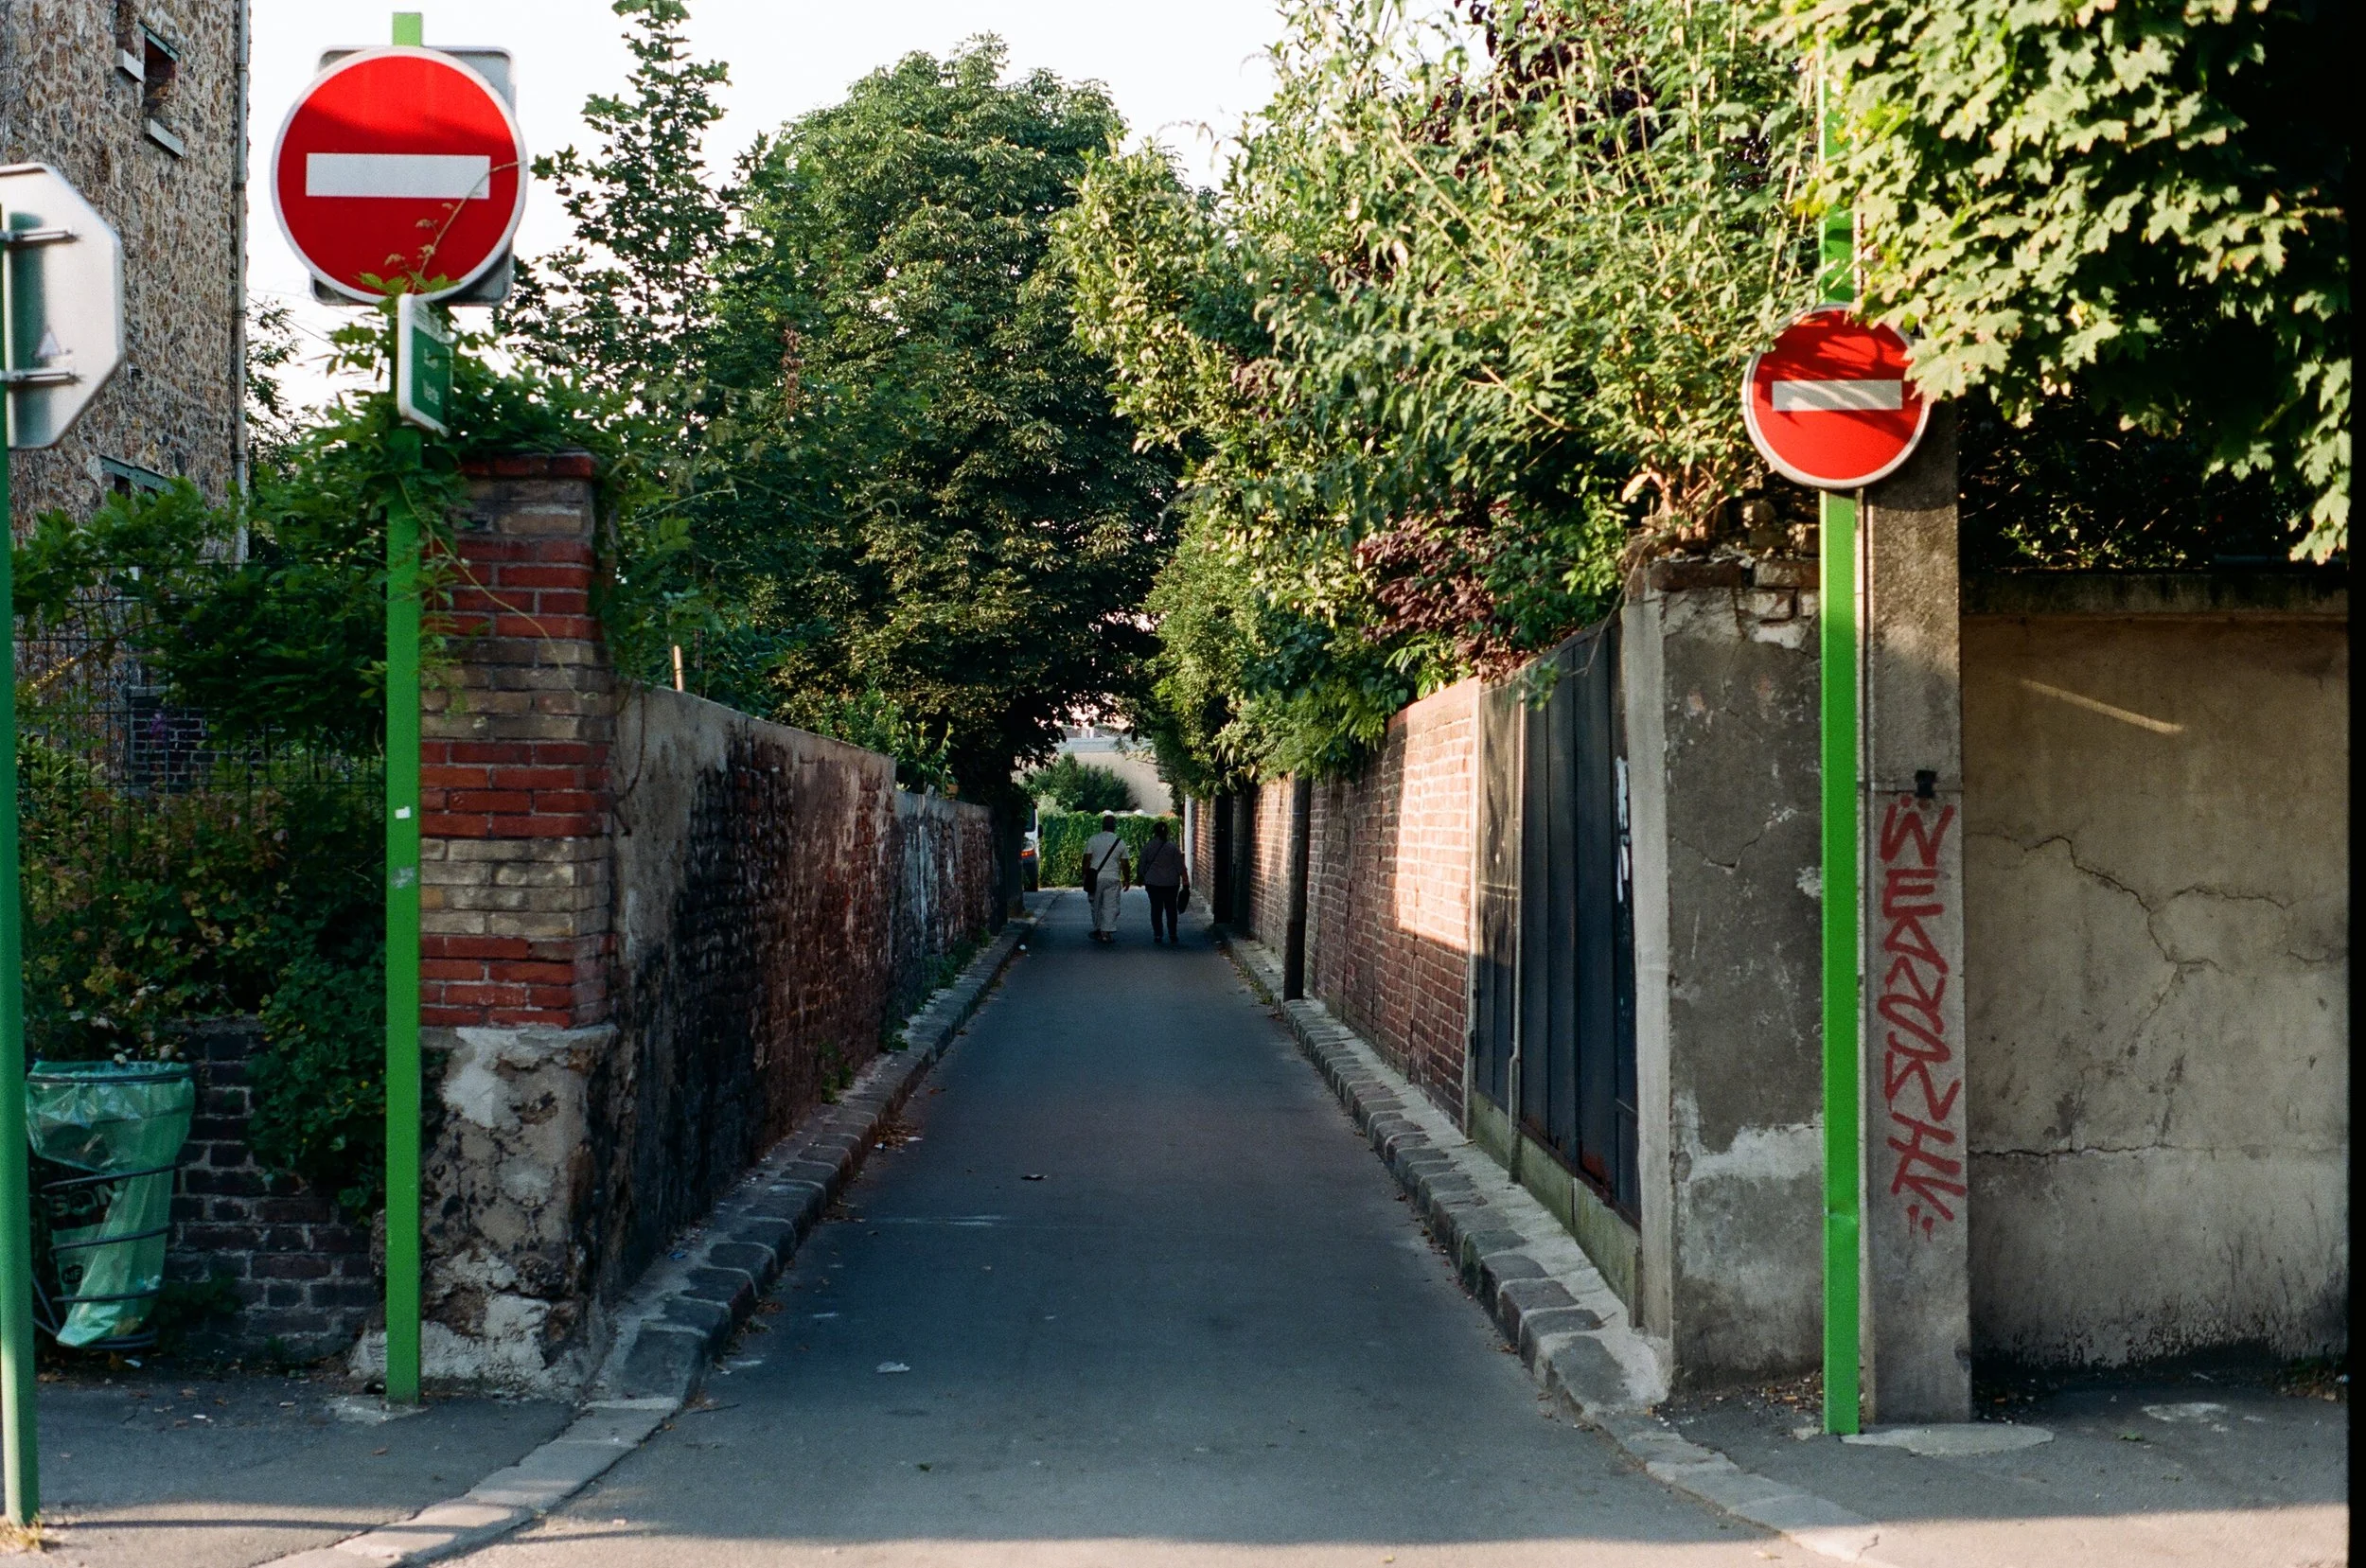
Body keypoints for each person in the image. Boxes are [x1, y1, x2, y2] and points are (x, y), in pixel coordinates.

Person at [1081, 813, 1130, 943]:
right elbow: (1125, 863)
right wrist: (1127, 879)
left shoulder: (1093, 839)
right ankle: (1106, 932)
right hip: (1113, 877)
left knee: (1095, 904)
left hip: (1095, 877)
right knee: (1110, 905)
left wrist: (1084, 876)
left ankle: (1097, 928)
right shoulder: (1120, 842)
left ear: (1102, 826)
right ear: (1114, 827)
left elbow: (1086, 859)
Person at [1139, 819, 1188, 944]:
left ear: (1154, 832)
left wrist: (1142, 877)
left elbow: (1141, 865)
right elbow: (1180, 867)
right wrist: (1186, 882)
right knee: (1171, 908)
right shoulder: (1173, 847)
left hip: (1153, 883)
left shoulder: (1148, 846)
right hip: (1171, 883)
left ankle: (1158, 934)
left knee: (1156, 908)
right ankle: (1172, 933)